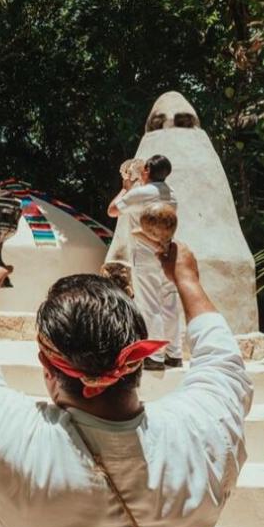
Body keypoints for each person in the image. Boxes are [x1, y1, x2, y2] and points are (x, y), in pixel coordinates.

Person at [0, 246, 253, 527]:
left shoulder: (6, 436)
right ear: (137, 360)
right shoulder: (202, 436)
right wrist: (187, 279)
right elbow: (223, 362)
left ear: (47, 368)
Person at [108, 154, 180, 369]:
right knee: (170, 304)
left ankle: (155, 356)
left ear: (147, 170)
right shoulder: (172, 194)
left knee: (150, 305)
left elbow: (112, 210)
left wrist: (126, 187)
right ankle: (174, 354)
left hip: (146, 255)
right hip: (167, 253)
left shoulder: (140, 193)